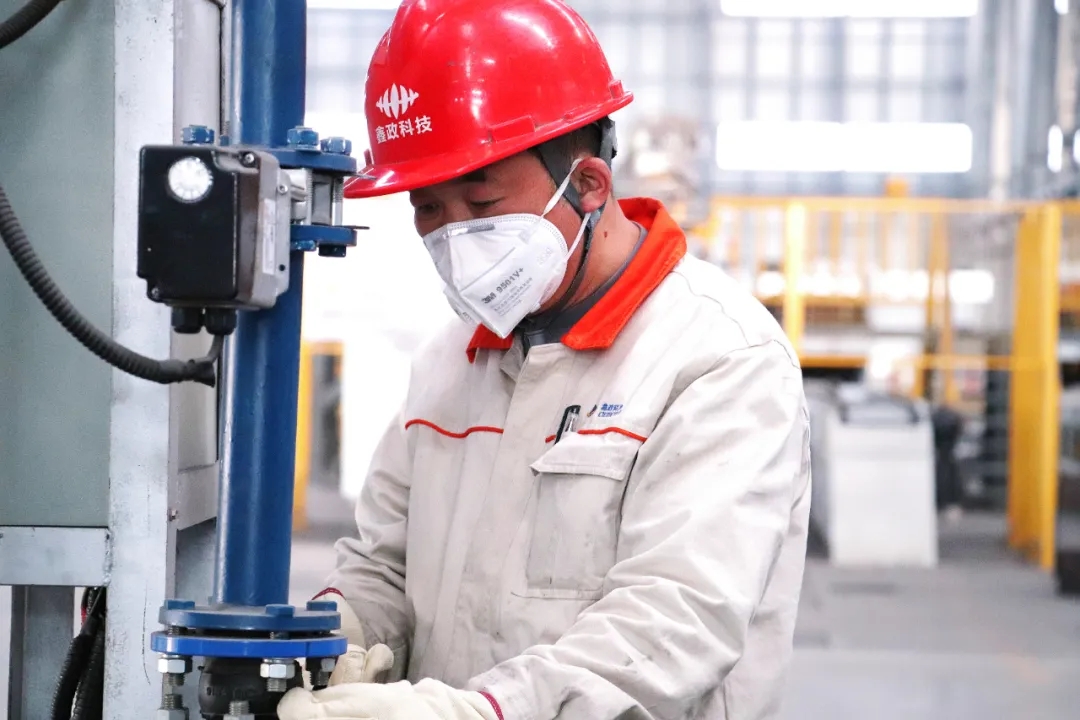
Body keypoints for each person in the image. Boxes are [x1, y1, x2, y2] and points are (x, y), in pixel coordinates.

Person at [278, 1, 812, 718]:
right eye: (428, 209)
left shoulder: (718, 359)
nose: (455, 238)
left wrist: (483, 712)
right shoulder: (450, 362)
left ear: (589, 185)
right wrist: (336, 638)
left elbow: (672, 623)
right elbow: (383, 566)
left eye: (482, 203)